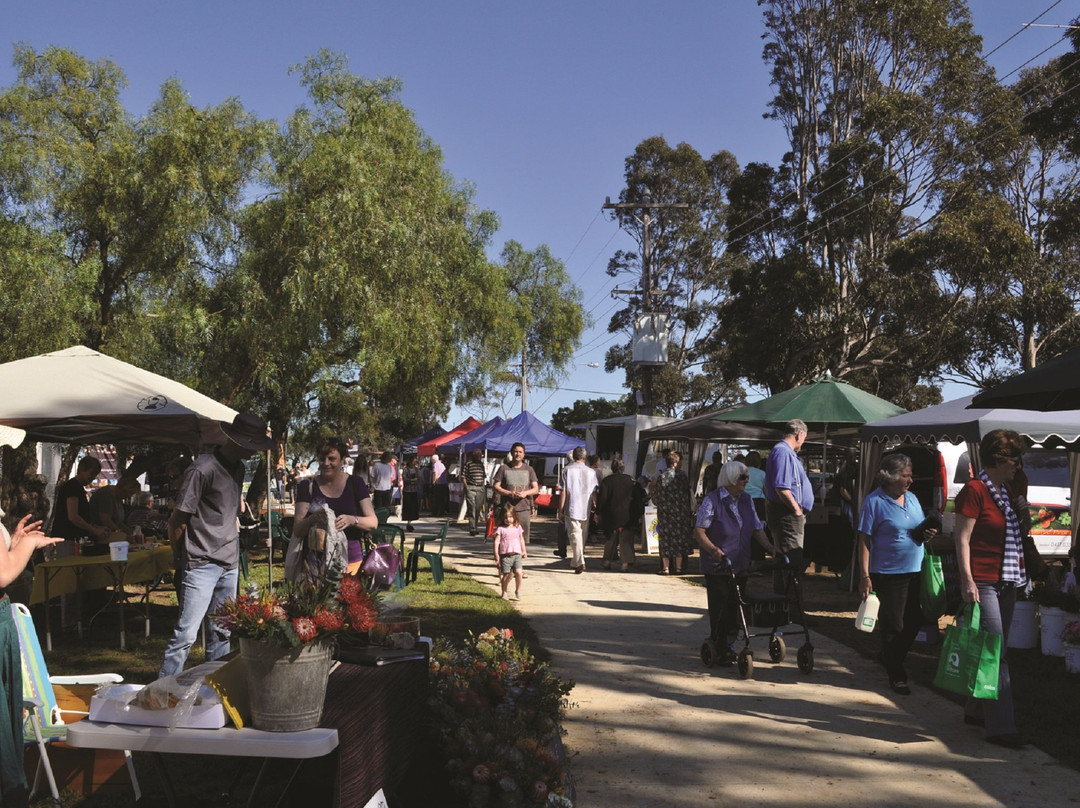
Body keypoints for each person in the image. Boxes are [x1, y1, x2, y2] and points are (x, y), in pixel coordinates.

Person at [159, 413, 275, 679]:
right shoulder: (203, 469)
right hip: (201, 564)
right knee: (185, 635)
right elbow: (178, 519)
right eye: (254, 444)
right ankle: (161, 695)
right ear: (241, 442)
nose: (257, 450)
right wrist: (178, 557)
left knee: (222, 632)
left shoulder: (239, 469)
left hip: (229, 563)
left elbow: (227, 514)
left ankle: (215, 692)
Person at [954, 429, 1028, 748]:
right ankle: (1001, 726)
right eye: (1015, 459)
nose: (1018, 466)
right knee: (996, 654)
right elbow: (962, 539)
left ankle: (974, 709)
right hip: (983, 581)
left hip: (1006, 580)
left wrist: (1022, 509)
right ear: (999, 459)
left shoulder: (1005, 490)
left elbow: (1015, 534)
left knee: (998, 650)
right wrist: (967, 580)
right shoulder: (975, 490)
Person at [857, 453, 937, 696]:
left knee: (915, 622)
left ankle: (889, 657)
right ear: (890, 477)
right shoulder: (874, 501)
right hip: (888, 572)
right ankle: (897, 674)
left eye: (910, 475)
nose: (910, 480)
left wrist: (928, 532)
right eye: (905, 475)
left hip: (915, 569)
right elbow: (864, 540)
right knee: (894, 625)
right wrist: (865, 575)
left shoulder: (911, 498)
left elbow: (917, 527)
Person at [694, 460, 775, 665]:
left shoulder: (747, 499)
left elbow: (757, 528)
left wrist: (771, 549)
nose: (746, 482)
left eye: (746, 477)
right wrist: (713, 550)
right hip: (719, 564)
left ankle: (729, 645)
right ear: (730, 478)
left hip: (740, 563)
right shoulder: (713, 500)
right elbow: (699, 530)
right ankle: (719, 646)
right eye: (742, 477)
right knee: (720, 607)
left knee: (736, 607)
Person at [292, 437, 379, 576]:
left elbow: (373, 522)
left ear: (342, 460)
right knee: (320, 598)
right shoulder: (307, 486)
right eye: (322, 458)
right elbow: (297, 529)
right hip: (315, 565)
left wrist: (352, 520)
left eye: (332, 459)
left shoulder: (356, 484)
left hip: (351, 563)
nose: (326, 463)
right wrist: (311, 519)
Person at [764, 419, 814, 586]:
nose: (803, 442)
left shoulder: (786, 452)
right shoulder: (783, 452)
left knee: (786, 561)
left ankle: (785, 604)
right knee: (790, 562)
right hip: (787, 515)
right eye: (804, 438)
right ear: (800, 434)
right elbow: (782, 487)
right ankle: (788, 605)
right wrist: (796, 511)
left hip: (787, 514)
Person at [653, 450, 695, 575]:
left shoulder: (661, 477)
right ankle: (678, 568)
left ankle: (665, 568)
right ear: (676, 463)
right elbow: (688, 494)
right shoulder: (682, 476)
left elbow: (656, 498)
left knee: (665, 539)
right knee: (679, 540)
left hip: (665, 514)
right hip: (680, 514)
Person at [51, 455, 108, 544]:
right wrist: (93, 529)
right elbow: (73, 516)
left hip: (74, 537)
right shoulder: (72, 487)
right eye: (91, 473)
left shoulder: (78, 487)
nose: (93, 477)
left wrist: (96, 527)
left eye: (95, 475)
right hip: (67, 537)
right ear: (82, 470)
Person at [596, 457, 640, 571]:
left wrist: (597, 513)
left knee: (611, 540)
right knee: (626, 540)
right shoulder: (631, 481)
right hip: (628, 517)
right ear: (623, 468)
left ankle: (607, 561)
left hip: (612, 517)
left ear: (612, 468)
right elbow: (639, 498)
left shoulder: (607, 481)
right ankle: (624, 565)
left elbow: (602, 500)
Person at [557, 447, 596, 574]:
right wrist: (596, 506)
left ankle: (579, 561)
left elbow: (563, 492)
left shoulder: (566, 470)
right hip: (586, 506)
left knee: (575, 535)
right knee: (582, 535)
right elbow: (594, 492)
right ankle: (576, 560)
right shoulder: (591, 472)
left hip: (572, 505)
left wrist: (560, 509)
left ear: (574, 456)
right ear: (584, 458)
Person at [493, 443, 539, 545]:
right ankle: (503, 555)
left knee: (522, 537)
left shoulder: (529, 469)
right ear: (512, 453)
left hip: (524, 508)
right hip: (507, 508)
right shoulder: (504, 468)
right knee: (505, 536)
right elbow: (496, 486)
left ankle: (520, 556)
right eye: (516, 451)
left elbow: (535, 489)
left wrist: (525, 493)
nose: (518, 454)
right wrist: (508, 493)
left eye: (520, 452)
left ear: (524, 454)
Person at [88, 474, 141, 540]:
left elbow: (117, 521)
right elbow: (106, 519)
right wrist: (120, 532)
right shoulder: (106, 495)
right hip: (102, 537)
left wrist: (127, 530)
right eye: (130, 493)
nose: (129, 496)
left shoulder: (118, 497)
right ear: (124, 490)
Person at [493, 502, 527, 600]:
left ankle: (518, 590)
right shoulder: (501, 529)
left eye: (511, 517)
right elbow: (497, 542)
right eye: (506, 517)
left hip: (517, 554)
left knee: (519, 572)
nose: (508, 519)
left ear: (515, 516)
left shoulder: (518, 527)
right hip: (505, 556)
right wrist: (496, 554)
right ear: (502, 518)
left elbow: (521, 539)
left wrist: (524, 551)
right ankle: (504, 592)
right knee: (506, 575)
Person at [462, 449, 489, 537]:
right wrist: (466, 487)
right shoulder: (468, 464)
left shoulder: (481, 464)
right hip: (471, 487)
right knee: (471, 508)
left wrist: (483, 484)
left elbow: (483, 475)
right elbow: (463, 476)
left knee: (477, 508)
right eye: (478, 455)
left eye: (480, 455)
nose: (480, 457)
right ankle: (472, 528)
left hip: (480, 487)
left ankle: (475, 527)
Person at [400, 456, 420, 531]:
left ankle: (410, 522)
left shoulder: (416, 469)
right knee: (408, 507)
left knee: (413, 507)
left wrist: (415, 480)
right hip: (407, 490)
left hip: (414, 490)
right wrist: (413, 480)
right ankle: (408, 522)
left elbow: (419, 478)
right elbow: (405, 479)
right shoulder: (405, 469)